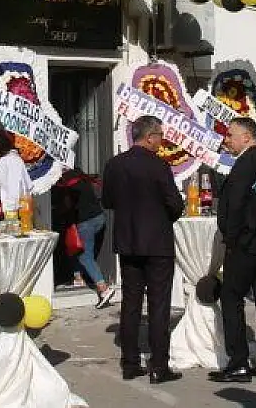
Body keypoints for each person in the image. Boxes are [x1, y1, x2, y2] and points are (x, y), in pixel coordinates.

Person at [101, 115, 184, 384]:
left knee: (131, 302)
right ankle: (159, 365)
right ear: (149, 137)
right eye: (159, 135)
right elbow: (175, 204)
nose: (161, 141)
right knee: (159, 305)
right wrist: (162, 216)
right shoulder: (159, 165)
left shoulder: (115, 164)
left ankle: (130, 362)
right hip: (157, 243)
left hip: (128, 242)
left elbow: (108, 200)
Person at [212, 117, 256, 383]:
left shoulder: (245, 165)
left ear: (247, 137)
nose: (226, 140)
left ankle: (238, 362)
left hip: (246, 245)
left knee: (231, 297)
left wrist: (231, 241)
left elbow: (235, 207)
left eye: (230, 135)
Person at [56, 168, 117, 309]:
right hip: (99, 219)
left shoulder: (69, 187)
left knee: (85, 256)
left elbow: (67, 207)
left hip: (86, 222)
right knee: (76, 249)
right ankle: (78, 279)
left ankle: (104, 289)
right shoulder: (84, 180)